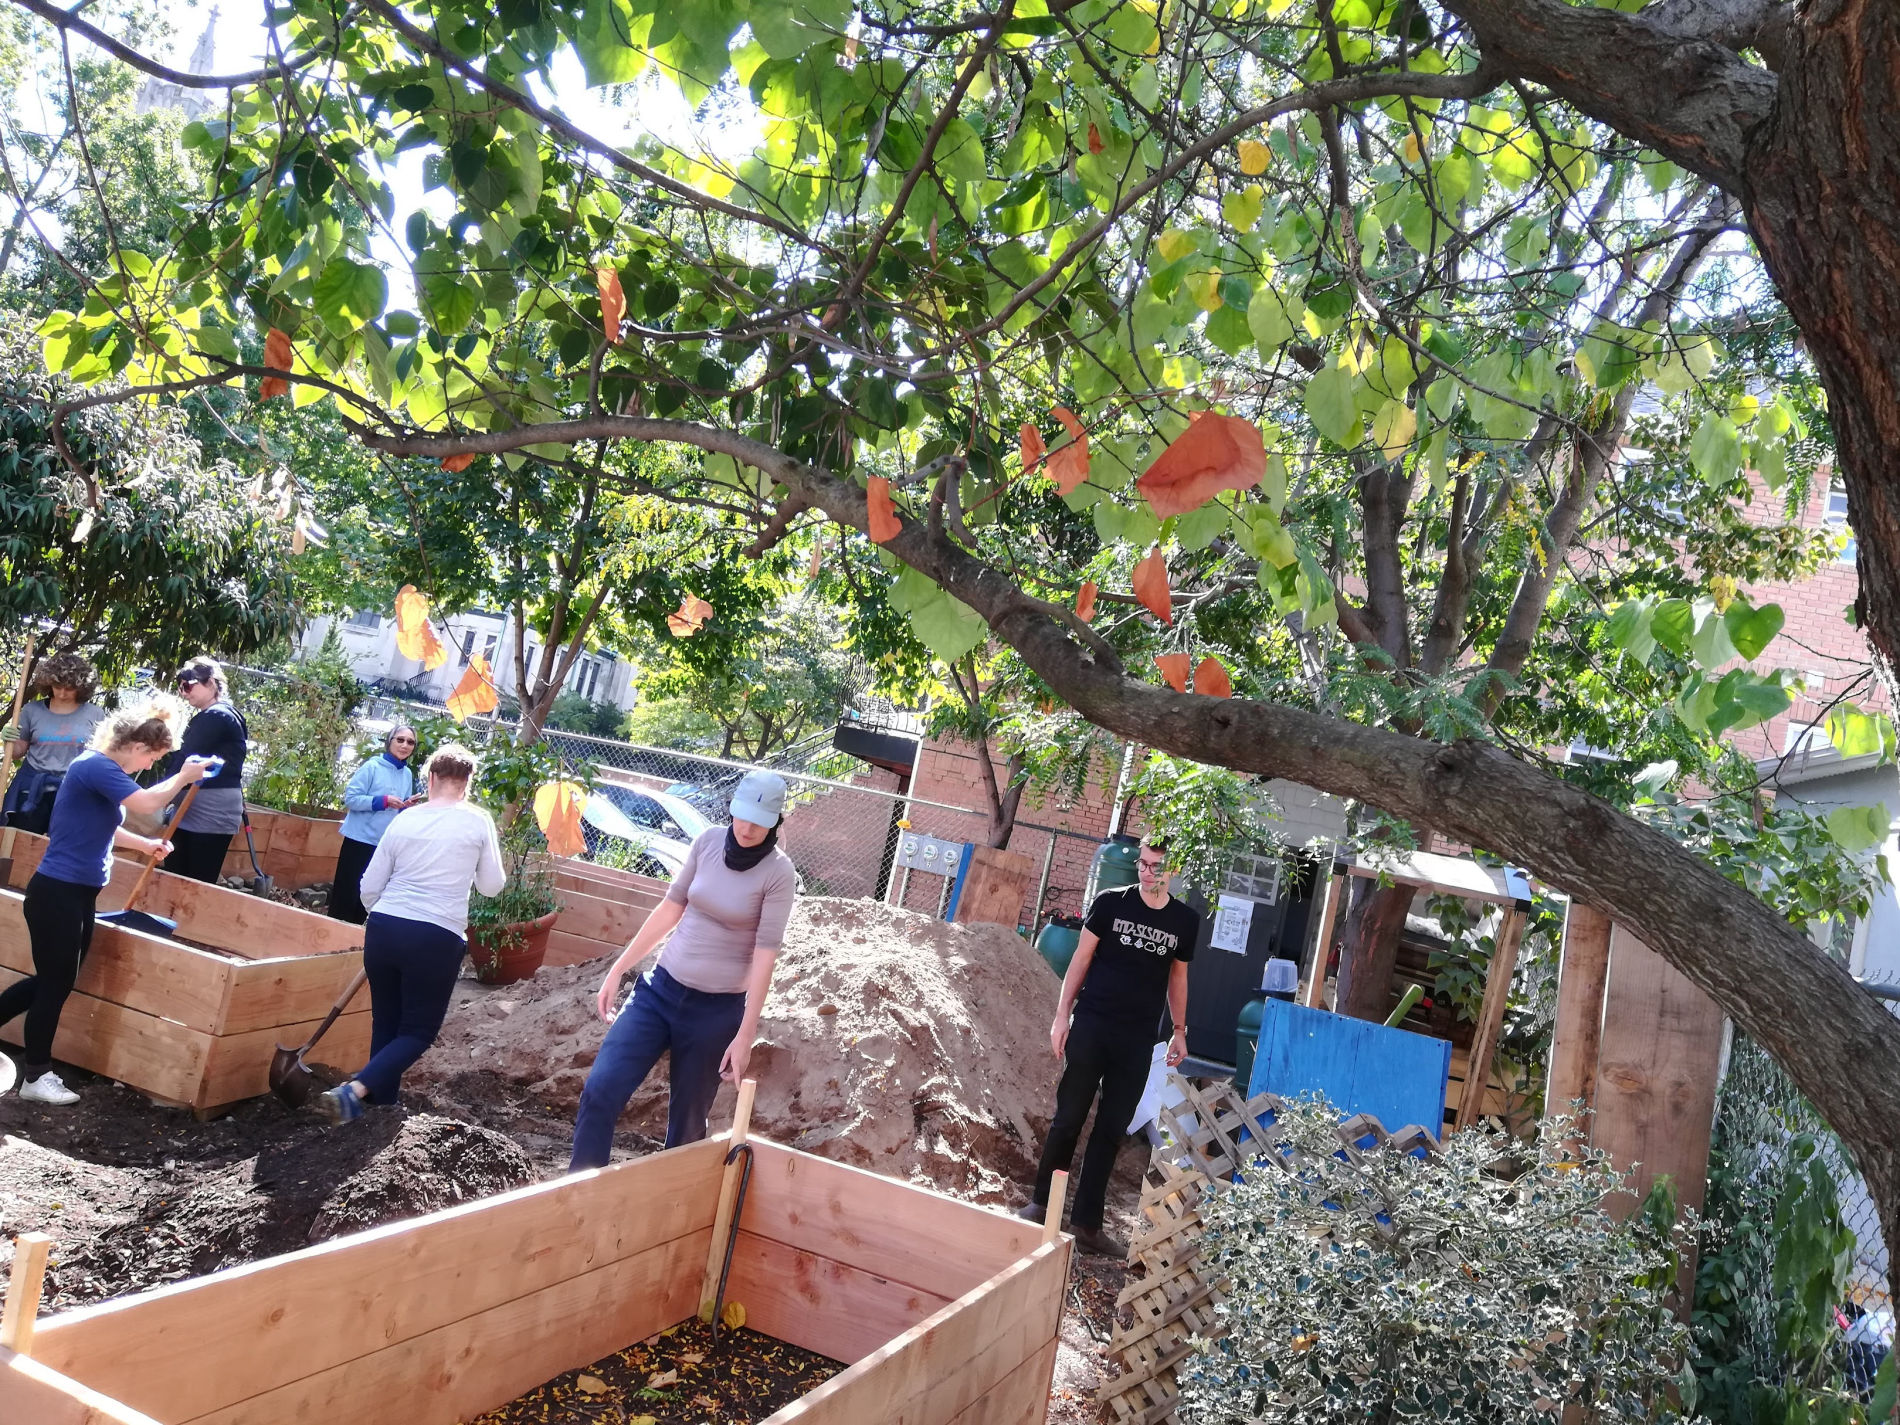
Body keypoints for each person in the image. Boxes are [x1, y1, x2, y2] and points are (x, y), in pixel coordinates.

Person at [569, 770, 798, 1168]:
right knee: (601, 1089)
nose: (746, 828)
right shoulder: (707, 842)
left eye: (759, 823)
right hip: (659, 993)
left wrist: (745, 1035)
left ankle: (671, 1215)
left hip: (716, 1012)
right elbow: (670, 909)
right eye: (742, 816)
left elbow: (766, 955)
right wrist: (619, 969)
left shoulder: (779, 873)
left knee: (687, 1130)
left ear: (775, 822)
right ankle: (579, 1193)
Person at [0, 699, 212, 1104]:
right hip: (57, 892)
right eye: (152, 757)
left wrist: (145, 844)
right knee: (55, 984)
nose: (149, 766)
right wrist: (183, 776)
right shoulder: (96, 767)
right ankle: (36, 1077)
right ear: (134, 746)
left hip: (77, 893)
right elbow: (148, 805)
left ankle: (27, 1063)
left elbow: (106, 827)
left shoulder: (101, 773)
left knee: (55, 980)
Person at [1016, 834, 1199, 1257]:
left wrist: (1180, 1029)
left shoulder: (1184, 922)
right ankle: (1042, 1204)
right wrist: (1062, 1015)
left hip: (1137, 1039)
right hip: (1093, 1025)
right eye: (1143, 864)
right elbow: (1080, 959)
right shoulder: (1111, 902)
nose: (1147, 872)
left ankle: (1087, 1225)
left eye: (1156, 866)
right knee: (1069, 1117)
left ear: (1172, 871)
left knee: (1111, 1130)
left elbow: (1178, 978)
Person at [319, 743, 505, 1124]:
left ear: (431, 778)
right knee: (418, 1031)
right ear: (467, 783)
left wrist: (384, 921)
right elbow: (491, 886)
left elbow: (369, 885)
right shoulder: (477, 820)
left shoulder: (405, 819)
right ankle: (354, 1091)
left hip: (385, 928)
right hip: (436, 936)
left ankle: (377, 1110)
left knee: (385, 1023)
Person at [1, 653, 108, 835]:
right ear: (48, 682)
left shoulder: (95, 715)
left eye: (69, 688)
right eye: (57, 686)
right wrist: (8, 740)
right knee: (17, 842)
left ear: (81, 687)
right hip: (31, 788)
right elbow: (17, 752)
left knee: (60, 846)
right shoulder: (31, 711)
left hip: (73, 789)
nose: (62, 693)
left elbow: (101, 756)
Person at [164, 657, 248, 883]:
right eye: (180, 687)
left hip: (209, 815)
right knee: (176, 878)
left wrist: (157, 795)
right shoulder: (218, 714)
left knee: (194, 883)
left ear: (210, 683)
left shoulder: (217, 715)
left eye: (188, 685)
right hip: (193, 812)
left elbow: (185, 758)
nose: (184, 692)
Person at [328, 725, 421, 924]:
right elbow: (351, 799)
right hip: (358, 840)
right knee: (345, 896)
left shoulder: (406, 774)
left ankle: (351, 944)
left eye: (410, 742)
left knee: (367, 896)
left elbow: (398, 809)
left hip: (383, 845)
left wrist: (406, 806)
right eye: (400, 740)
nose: (405, 745)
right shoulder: (372, 767)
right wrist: (383, 801)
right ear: (390, 741)